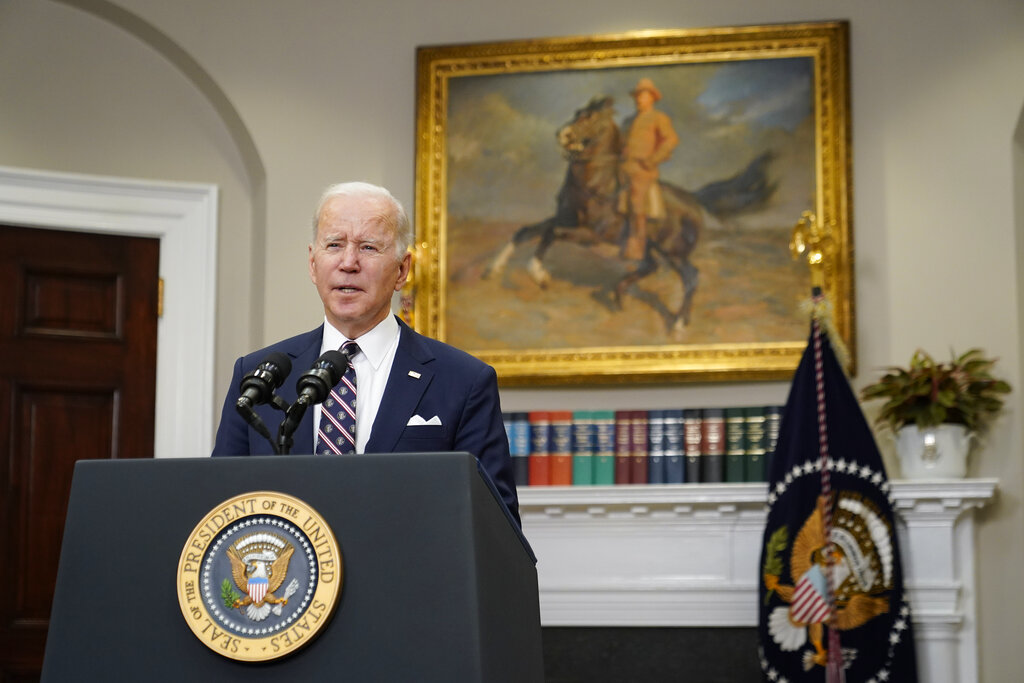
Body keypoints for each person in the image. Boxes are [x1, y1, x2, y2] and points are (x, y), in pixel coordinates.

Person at [212, 181, 520, 527]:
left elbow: (496, 523)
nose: (348, 262)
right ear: (313, 264)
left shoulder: (463, 380)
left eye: (369, 247)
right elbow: (222, 506)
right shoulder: (257, 376)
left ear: (402, 270)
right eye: (334, 245)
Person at [619, 77, 679, 260]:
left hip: (643, 170)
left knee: (637, 202)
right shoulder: (629, 121)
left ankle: (637, 247)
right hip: (624, 167)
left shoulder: (659, 118)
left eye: (643, 96)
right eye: (637, 96)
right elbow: (622, 143)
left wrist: (653, 159)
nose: (639, 100)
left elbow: (671, 140)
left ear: (652, 98)